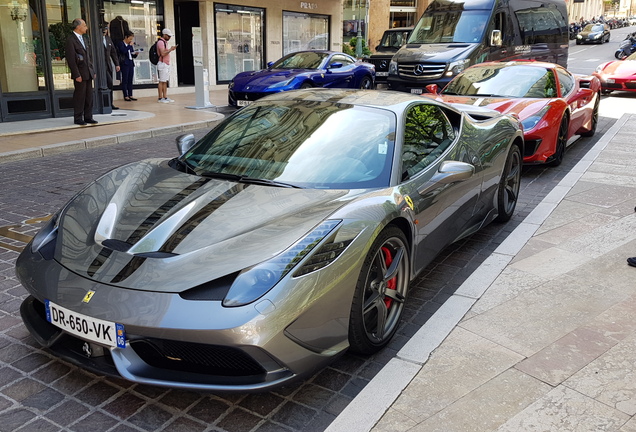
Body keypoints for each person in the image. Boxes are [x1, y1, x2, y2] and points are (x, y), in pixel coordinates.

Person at [66, 18, 97, 126]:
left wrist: (92, 70)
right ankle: (78, 117)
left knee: (89, 96)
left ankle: (88, 116)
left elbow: (89, 57)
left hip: (88, 72)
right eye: (84, 25)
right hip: (80, 73)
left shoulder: (84, 39)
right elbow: (71, 59)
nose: (86, 28)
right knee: (80, 96)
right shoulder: (71, 40)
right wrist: (76, 74)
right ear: (78, 27)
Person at [157, 28, 177, 103]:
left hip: (166, 63)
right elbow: (162, 53)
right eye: (168, 36)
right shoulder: (161, 42)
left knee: (165, 81)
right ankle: (160, 97)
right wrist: (170, 50)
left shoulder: (165, 42)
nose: (169, 37)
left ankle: (165, 96)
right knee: (161, 81)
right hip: (162, 63)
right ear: (164, 35)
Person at [117, 30, 139, 102]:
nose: (130, 40)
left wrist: (135, 54)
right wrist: (129, 46)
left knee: (130, 79)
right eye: (130, 39)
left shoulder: (130, 45)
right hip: (124, 63)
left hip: (130, 62)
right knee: (125, 79)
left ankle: (130, 94)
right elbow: (123, 51)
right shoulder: (121, 44)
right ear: (126, 37)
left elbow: (131, 54)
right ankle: (125, 95)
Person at [102, 24, 120, 110]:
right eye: (104, 29)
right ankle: (103, 103)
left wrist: (117, 64)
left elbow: (113, 52)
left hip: (108, 65)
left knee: (110, 84)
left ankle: (110, 103)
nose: (105, 30)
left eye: (106, 29)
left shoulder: (108, 39)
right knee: (105, 83)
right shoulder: (96, 39)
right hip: (100, 66)